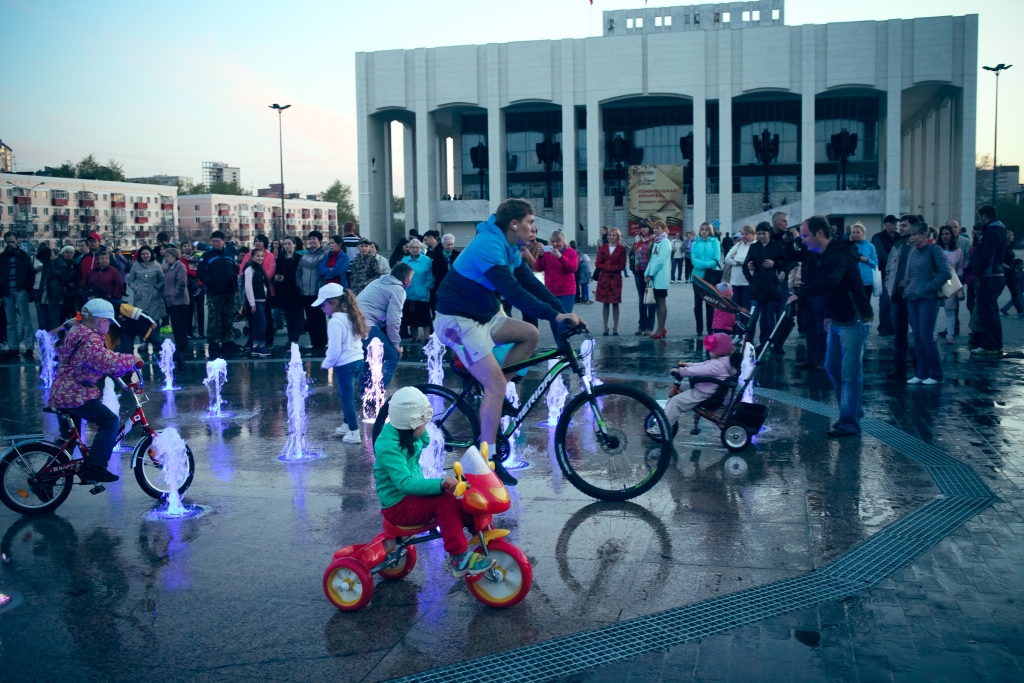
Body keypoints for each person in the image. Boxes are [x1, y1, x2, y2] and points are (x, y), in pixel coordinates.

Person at [434, 198, 582, 486]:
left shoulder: (510, 246)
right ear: (514, 224)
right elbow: (513, 292)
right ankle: (485, 463)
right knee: (495, 385)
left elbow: (530, 283)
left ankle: (496, 390)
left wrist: (561, 313)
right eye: (530, 222)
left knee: (530, 334)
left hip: (480, 316)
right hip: (456, 320)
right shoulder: (489, 245)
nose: (534, 229)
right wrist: (556, 315)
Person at [373, 387, 495, 577]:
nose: (427, 426)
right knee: (444, 500)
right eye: (424, 423)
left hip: (410, 498)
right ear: (410, 425)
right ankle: (458, 558)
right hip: (398, 506)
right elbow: (404, 483)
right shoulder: (389, 447)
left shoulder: (405, 434)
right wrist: (440, 484)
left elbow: (425, 440)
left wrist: (420, 432)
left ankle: (493, 545)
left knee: (464, 499)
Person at [790, 216, 874, 437]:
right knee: (832, 366)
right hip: (838, 317)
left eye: (806, 235)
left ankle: (849, 422)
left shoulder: (837, 255)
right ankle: (852, 411)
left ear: (820, 233)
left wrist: (801, 293)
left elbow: (832, 282)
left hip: (854, 318)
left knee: (850, 373)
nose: (803, 240)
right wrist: (827, 314)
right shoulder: (823, 254)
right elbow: (831, 289)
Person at [47, 298, 139, 483]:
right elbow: (104, 359)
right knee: (109, 421)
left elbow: (94, 361)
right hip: (75, 394)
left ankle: (47, 478)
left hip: (64, 391)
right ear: (101, 321)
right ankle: (96, 467)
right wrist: (132, 361)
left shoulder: (78, 331)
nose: (110, 327)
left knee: (69, 438)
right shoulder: (89, 338)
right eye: (110, 323)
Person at [314, 283, 368, 444]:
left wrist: (326, 363)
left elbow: (335, 349)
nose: (322, 308)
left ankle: (354, 431)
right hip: (358, 361)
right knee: (346, 395)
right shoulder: (349, 316)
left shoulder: (335, 322)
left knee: (346, 398)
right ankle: (346, 425)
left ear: (334, 302)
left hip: (345, 364)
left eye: (323, 304)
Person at [902, 223, 952, 384]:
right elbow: (911, 274)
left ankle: (936, 374)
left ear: (925, 234)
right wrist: (907, 287)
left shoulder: (935, 250)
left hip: (927, 300)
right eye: (911, 235)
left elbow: (945, 273)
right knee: (917, 337)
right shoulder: (914, 251)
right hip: (913, 299)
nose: (911, 238)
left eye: (914, 234)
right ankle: (921, 372)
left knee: (926, 338)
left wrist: (929, 287)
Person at [664, 333, 740, 438]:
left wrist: (681, 371)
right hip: (707, 388)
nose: (709, 351)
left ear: (718, 351)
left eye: (711, 349)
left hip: (703, 393)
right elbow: (703, 365)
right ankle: (668, 417)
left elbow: (700, 370)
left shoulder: (717, 365)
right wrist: (686, 365)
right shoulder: (723, 362)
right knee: (679, 387)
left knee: (675, 402)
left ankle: (663, 426)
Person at [357, 262, 410, 388]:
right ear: (407, 279)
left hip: (353, 322)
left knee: (367, 356)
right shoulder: (398, 290)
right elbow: (393, 321)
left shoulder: (378, 282)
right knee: (392, 355)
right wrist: (396, 345)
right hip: (366, 324)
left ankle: (364, 391)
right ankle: (375, 392)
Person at [970, 205, 1008, 355]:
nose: (980, 220)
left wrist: (977, 273)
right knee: (992, 311)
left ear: (985, 216)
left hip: (988, 276)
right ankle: (995, 342)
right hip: (996, 275)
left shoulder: (991, 232)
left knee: (986, 311)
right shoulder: (1000, 230)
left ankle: (990, 343)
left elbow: (986, 255)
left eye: (980, 217)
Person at [742, 222, 786, 351]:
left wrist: (775, 263)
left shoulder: (777, 246)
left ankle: (765, 342)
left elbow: (785, 262)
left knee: (768, 318)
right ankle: (748, 344)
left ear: (769, 234)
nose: (761, 236)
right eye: (759, 233)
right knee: (753, 317)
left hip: (771, 288)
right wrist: (751, 279)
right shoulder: (754, 247)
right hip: (756, 289)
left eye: (764, 233)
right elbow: (746, 264)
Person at [883, 216, 916, 381]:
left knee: (918, 335)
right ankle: (899, 369)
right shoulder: (897, 245)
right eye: (899, 225)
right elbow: (889, 268)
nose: (900, 228)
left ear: (914, 227)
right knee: (898, 336)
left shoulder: (920, 246)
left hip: (913, 296)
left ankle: (920, 369)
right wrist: (889, 287)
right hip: (896, 296)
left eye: (904, 225)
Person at [196, 231, 237, 357]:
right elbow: (200, 272)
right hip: (214, 292)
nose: (215, 243)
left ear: (223, 241)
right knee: (214, 318)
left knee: (228, 317)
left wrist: (234, 286)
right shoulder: (207, 256)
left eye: (218, 240)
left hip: (229, 292)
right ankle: (213, 342)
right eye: (213, 241)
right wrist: (210, 283)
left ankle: (227, 340)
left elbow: (234, 271)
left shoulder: (229, 255)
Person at [239, 235, 277, 352]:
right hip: (254, 296)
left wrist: (263, 277)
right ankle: (256, 343)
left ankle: (265, 341)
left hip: (265, 293)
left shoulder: (269, 256)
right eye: (256, 241)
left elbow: (270, 271)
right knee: (256, 321)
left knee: (265, 320)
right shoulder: (249, 259)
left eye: (260, 241)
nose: (258, 243)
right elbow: (242, 271)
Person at [0, 232, 35, 358]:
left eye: (12, 242)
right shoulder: (2, 257)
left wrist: (27, 288)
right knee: (10, 321)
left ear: (17, 241)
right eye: (8, 242)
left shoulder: (24, 256)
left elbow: (31, 273)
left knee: (26, 320)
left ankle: (29, 347)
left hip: (21, 290)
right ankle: (13, 347)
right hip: (7, 292)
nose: (10, 244)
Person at [533, 229, 579, 314]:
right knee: (554, 321)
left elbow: (573, 268)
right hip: (551, 291)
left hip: (566, 291)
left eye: (558, 241)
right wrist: (540, 257)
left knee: (564, 321)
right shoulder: (547, 253)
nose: (554, 244)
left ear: (563, 241)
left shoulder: (571, 252)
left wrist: (561, 257)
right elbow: (538, 268)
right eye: (552, 241)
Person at [297, 230, 329, 354]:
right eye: (310, 239)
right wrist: (300, 284)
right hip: (306, 292)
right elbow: (298, 272)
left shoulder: (325, 254)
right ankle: (314, 343)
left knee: (319, 318)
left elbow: (326, 271)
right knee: (310, 318)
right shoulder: (304, 255)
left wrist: (323, 286)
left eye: (314, 238)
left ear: (319, 240)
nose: (311, 241)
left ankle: (322, 343)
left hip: (319, 292)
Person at [691, 222, 722, 337]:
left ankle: (710, 328)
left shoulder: (715, 242)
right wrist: (706, 264)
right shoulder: (695, 243)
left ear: (710, 231)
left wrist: (705, 264)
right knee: (697, 304)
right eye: (702, 229)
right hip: (697, 277)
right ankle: (699, 328)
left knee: (710, 303)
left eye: (706, 230)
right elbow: (693, 260)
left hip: (710, 276)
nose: (704, 231)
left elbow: (716, 259)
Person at [272, 237, 305, 346]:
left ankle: (295, 339)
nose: (287, 246)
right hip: (284, 291)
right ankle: (290, 339)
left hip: (295, 291)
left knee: (296, 316)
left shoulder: (299, 258)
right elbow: (278, 270)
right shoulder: (281, 258)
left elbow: (298, 273)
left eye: (289, 244)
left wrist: (285, 278)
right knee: (288, 317)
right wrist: (276, 277)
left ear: (294, 244)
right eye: (285, 244)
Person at [400, 239, 435, 342]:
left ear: (421, 248)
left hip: (422, 292)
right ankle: (416, 337)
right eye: (413, 247)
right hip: (408, 292)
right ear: (409, 249)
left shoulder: (427, 260)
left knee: (425, 317)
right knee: (412, 316)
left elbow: (430, 276)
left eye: (417, 247)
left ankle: (427, 337)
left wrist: (427, 287)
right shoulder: (404, 261)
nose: (415, 249)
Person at [937, 225, 965, 345]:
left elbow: (960, 268)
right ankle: (933, 334)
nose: (945, 236)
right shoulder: (936, 249)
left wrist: (956, 279)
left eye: (947, 234)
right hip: (937, 281)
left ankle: (950, 335)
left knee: (950, 309)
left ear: (952, 236)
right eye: (943, 234)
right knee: (935, 309)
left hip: (950, 282)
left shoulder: (958, 252)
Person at [127, 246, 166, 335]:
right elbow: (131, 281)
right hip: (140, 296)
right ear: (140, 255)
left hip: (154, 296)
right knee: (142, 319)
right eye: (143, 254)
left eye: (147, 253)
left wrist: (157, 289)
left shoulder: (157, 266)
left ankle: (156, 341)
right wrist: (136, 290)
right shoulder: (135, 266)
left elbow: (162, 280)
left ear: (150, 254)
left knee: (155, 319)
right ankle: (143, 342)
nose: (145, 256)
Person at [595, 227, 627, 335]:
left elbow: (622, 265)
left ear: (617, 237)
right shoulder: (603, 248)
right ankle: (605, 327)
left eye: (613, 235)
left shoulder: (621, 249)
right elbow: (597, 263)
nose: (611, 237)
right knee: (605, 303)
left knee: (615, 303)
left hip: (616, 279)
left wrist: (610, 267)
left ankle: (615, 327)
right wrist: (607, 267)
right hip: (604, 278)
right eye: (610, 235)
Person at [644, 220, 672, 339]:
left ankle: (661, 328)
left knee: (661, 303)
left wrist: (651, 273)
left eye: (658, 228)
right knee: (656, 304)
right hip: (654, 277)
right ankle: (660, 328)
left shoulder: (665, 242)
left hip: (661, 277)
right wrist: (647, 273)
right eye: (654, 228)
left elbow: (660, 260)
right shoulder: (656, 242)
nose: (655, 230)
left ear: (664, 229)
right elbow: (652, 259)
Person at [872, 216, 899, 335]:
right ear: (886, 224)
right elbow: (880, 254)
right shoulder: (878, 237)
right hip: (885, 274)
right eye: (893, 223)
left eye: (896, 223)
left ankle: (894, 326)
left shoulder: (899, 237)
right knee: (885, 301)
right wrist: (896, 262)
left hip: (898, 274)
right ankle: (883, 327)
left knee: (896, 301)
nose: (895, 225)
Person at [162, 248, 190, 364]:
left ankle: (182, 347)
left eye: (168, 256)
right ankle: (179, 345)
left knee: (181, 325)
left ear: (174, 256)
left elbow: (181, 283)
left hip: (179, 301)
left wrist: (173, 295)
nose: (167, 258)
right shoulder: (169, 268)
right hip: (171, 301)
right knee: (176, 326)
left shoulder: (180, 267)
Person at [243, 248, 271, 357]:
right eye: (257, 256)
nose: (260, 258)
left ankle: (256, 346)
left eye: (262, 256)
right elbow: (248, 287)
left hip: (261, 299)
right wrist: (252, 303)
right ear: (252, 257)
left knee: (258, 323)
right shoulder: (250, 269)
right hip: (255, 301)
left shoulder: (259, 268)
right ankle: (260, 345)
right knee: (261, 322)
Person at [33, 245, 65, 334]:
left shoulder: (56, 263)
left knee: (54, 322)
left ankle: (56, 344)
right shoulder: (45, 264)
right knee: (43, 323)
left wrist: (54, 259)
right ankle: (45, 344)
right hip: (42, 296)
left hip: (54, 296)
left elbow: (59, 271)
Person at [630, 224, 655, 335]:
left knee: (650, 300)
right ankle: (641, 326)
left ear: (649, 228)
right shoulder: (637, 239)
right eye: (641, 227)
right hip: (638, 272)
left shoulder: (654, 240)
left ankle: (649, 327)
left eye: (645, 227)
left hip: (650, 274)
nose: (642, 229)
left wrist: (651, 273)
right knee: (641, 301)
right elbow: (632, 254)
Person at [724, 225, 756, 313]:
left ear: (753, 234)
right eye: (742, 234)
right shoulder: (738, 245)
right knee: (735, 308)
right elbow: (727, 259)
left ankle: (745, 326)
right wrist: (739, 263)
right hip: (735, 282)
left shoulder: (756, 245)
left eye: (747, 234)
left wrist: (735, 257)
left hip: (747, 283)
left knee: (746, 309)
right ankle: (736, 326)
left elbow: (751, 259)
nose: (744, 236)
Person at [180, 241, 205, 339]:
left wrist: (200, 276)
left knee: (201, 309)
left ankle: (201, 332)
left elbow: (203, 267)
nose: (187, 247)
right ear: (181, 248)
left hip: (200, 284)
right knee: (190, 309)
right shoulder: (182, 258)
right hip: (189, 285)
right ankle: (189, 332)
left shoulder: (198, 256)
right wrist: (198, 275)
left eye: (188, 245)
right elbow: (187, 270)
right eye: (184, 246)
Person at [849, 223, 878, 300]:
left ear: (863, 233)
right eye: (853, 232)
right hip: (853, 281)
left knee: (865, 304)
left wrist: (867, 260)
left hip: (867, 281)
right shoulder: (850, 246)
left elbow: (875, 264)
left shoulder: (870, 246)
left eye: (858, 232)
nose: (855, 234)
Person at [999, 229, 1023, 317]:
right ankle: (991, 307)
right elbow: (1000, 260)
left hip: (1011, 273)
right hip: (1005, 272)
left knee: (1015, 292)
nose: (1013, 237)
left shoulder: (1009, 246)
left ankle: (1020, 311)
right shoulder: (1003, 247)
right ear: (1007, 236)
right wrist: (1009, 267)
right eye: (1011, 235)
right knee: (998, 291)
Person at [431, 233, 460, 301]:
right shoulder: (437, 255)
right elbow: (435, 271)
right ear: (443, 245)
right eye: (448, 245)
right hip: (441, 283)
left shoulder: (458, 255)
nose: (450, 246)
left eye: (451, 244)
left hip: (454, 284)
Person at [58, 245, 79, 323]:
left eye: (71, 252)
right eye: (67, 252)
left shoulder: (75, 265)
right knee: (61, 318)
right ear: (63, 253)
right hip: (62, 295)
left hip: (72, 295)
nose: (69, 254)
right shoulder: (59, 263)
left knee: (74, 318)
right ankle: (61, 334)